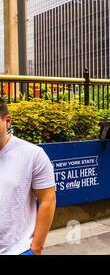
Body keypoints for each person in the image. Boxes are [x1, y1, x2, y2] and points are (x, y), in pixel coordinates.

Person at [0, 98, 56, 255]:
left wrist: (36, 248)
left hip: (17, 249)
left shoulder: (32, 155)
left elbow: (48, 200)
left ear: (7, 121)